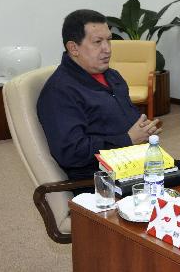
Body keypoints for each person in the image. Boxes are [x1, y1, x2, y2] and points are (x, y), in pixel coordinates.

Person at [37, 9, 162, 182]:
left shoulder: (112, 76)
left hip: (135, 163)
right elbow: (71, 152)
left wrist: (144, 129)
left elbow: (126, 119)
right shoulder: (60, 91)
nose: (107, 49)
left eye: (109, 40)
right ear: (73, 48)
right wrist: (127, 139)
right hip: (101, 179)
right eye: (97, 42)